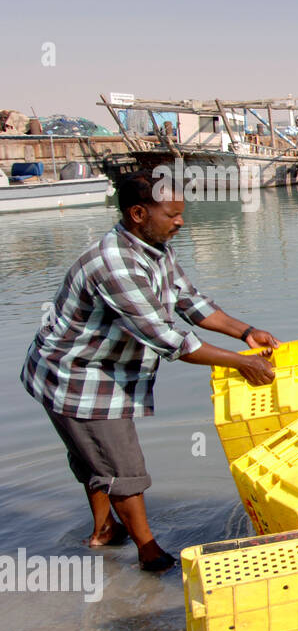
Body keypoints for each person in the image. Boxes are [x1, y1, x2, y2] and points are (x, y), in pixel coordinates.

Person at [20, 173, 279, 572]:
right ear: (138, 213)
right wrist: (241, 362)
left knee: (97, 459)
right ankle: (149, 554)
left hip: (107, 368)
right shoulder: (114, 264)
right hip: (77, 377)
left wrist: (245, 331)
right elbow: (168, 338)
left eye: (181, 214)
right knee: (122, 466)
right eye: (172, 215)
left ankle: (104, 532)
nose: (180, 222)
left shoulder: (155, 248)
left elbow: (190, 303)